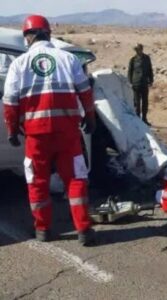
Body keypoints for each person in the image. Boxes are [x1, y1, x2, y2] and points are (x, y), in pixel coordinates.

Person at [2, 15, 96, 245]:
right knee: (75, 179)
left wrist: (12, 131)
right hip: (68, 133)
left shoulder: (19, 64)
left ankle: (43, 230)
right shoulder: (68, 59)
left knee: (37, 182)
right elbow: (85, 91)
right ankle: (84, 229)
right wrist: (89, 117)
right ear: (48, 33)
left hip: (36, 136)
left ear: (27, 37)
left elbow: (10, 102)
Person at [127, 43, 154, 126]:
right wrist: (130, 82)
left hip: (144, 83)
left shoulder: (147, 58)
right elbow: (129, 72)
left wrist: (151, 80)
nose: (137, 51)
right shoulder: (133, 59)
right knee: (137, 102)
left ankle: (144, 119)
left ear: (141, 49)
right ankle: (138, 119)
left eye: (138, 49)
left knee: (145, 102)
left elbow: (150, 69)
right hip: (136, 83)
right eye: (136, 50)